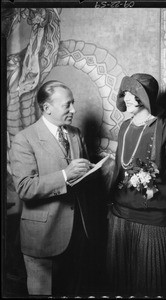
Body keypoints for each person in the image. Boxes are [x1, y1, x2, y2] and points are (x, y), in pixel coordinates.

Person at [9, 80, 94, 296]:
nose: (74, 110)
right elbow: (25, 188)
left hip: (78, 233)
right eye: (68, 105)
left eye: (73, 103)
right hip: (43, 237)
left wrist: (99, 169)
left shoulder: (75, 134)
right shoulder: (24, 139)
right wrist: (65, 175)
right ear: (47, 108)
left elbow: (83, 180)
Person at [107, 74, 166, 297]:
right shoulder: (124, 126)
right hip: (119, 218)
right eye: (126, 93)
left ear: (147, 97)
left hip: (153, 222)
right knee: (119, 286)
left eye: (135, 94)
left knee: (150, 288)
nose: (128, 98)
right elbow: (119, 169)